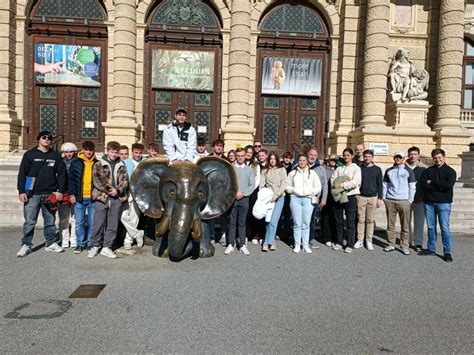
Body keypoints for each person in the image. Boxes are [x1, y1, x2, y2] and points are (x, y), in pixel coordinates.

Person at [16, 130, 66, 257]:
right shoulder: (29, 154)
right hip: (32, 194)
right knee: (30, 221)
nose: (47, 139)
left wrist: (60, 191)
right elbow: (22, 173)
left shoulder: (55, 155)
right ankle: (26, 245)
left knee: (50, 220)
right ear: (39, 139)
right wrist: (21, 191)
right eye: (44, 137)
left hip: (50, 193)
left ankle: (50, 243)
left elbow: (61, 174)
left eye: (49, 138)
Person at [88, 141, 129, 259]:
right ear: (107, 151)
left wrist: (117, 190)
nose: (114, 154)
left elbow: (125, 180)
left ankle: (107, 247)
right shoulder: (98, 163)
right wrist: (108, 190)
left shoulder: (121, 164)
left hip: (116, 197)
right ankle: (95, 245)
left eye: (116, 152)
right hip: (102, 197)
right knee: (98, 223)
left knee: (113, 223)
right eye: (112, 152)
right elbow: (96, 180)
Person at [419, 149, 456, 262]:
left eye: (439, 157)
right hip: (429, 202)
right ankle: (431, 248)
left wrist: (433, 182)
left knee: (444, 228)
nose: (437, 160)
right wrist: (439, 187)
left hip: (444, 203)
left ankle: (447, 252)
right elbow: (423, 185)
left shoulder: (450, 171)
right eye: (435, 158)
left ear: (444, 157)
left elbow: (448, 185)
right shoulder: (428, 171)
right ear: (433, 158)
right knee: (431, 227)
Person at [285, 154, 322, 254]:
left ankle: (305, 244)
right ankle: (297, 244)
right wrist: (292, 190)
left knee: (306, 223)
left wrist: (310, 192)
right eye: (300, 160)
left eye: (304, 161)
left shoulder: (312, 173)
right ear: (298, 161)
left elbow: (318, 186)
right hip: (295, 199)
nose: (302, 162)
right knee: (297, 223)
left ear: (307, 162)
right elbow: (287, 185)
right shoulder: (292, 173)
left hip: (308, 200)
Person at [382, 151, 416, 255]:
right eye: (396, 157)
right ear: (394, 158)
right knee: (390, 225)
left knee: (404, 225)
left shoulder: (408, 171)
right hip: (390, 200)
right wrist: (384, 198)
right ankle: (391, 244)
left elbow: (412, 186)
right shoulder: (389, 170)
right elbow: (385, 185)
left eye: (399, 157)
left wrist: (410, 200)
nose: (397, 159)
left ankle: (404, 245)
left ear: (403, 159)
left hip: (404, 201)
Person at [330, 148, 361, 253]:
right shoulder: (339, 168)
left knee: (350, 222)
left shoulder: (356, 168)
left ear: (352, 156)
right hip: (339, 196)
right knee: (338, 221)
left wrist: (342, 185)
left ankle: (349, 244)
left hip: (350, 196)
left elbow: (354, 182)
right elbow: (333, 180)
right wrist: (337, 186)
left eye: (348, 155)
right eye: (344, 155)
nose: (346, 157)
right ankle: (339, 242)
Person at [68, 141, 97, 253]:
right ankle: (80, 244)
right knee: (79, 222)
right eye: (86, 149)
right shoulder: (76, 163)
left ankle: (90, 243)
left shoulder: (97, 163)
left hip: (92, 198)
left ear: (93, 151)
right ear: (83, 150)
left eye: (90, 150)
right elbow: (71, 180)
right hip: (79, 197)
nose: (88, 152)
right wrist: (71, 194)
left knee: (92, 222)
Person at [225, 148, 255, 256]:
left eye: (242, 155)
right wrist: (235, 193)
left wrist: (243, 193)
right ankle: (230, 244)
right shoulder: (231, 168)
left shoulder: (249, 169)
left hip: (244, 199)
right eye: (238, 155)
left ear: (245, 156)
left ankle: (242, 244)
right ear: (236, 156)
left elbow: (252, 185)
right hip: (233, 199)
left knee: (242, 223)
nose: (240, 157)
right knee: (232, 222)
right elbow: (228, 183)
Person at [355, 149, 383, 251]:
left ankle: (369, 240)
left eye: (369, 156)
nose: (367, 158)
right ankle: (360, 240)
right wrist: (357, 194)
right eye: (365, 156)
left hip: (373, 197)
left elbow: (380, 184)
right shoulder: (359, 168)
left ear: (372, 157)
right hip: (361, 196)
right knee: (360, 220)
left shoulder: (377, 169)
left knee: (370, 220)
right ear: (363, 157)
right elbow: (357, 182)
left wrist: (380, 198)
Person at [259, 152, 287, 251]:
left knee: (274, 221)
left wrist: (277, 194)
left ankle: (266, 242)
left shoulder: (282, 169)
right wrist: (266, 193)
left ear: (277, 160)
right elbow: (261, 184)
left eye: (274, 159)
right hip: (268, 197)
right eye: (270, 159)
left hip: (279, 197)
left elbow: (284, 183)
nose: (272, 160)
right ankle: (272, 241)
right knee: (268, 220)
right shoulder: (265, 170)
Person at [121, 143, 146, 249]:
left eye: (140, 153)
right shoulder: (126, 162)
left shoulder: (145, 162)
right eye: (136, 152)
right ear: (132, 152)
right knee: (122, 215)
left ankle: (128, 240)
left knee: (135, 216)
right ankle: (137, 234)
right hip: (127, 192)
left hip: (139, 193)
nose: (138, 154)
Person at [405, 146, 427, 252]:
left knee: (419, 223)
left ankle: (418, 243)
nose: (412, 156)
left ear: (418, 155)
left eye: (415, 154)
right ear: (408, 155)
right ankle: (407, 241)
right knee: (406, 222)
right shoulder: (403, 167)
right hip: (405, 200)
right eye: (411, 154)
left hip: (420, 199)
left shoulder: (424, 168)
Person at [307, 147, 327, 249]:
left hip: (315, 199)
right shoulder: (301, 165)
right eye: (311, 155)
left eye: (314, 155)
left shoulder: (321, 168)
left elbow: (325, 185)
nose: (312, 157)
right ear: (307, 155)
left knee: (311, 220)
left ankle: (310, 239)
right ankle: (298, 239)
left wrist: (324, 198)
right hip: (301, 198)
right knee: (300, 221)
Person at [58, 142, 78, 248]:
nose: (69, 154)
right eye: (66, 152)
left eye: (71, 152)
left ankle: (73, 238)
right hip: (64, 192)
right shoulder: (60, 162)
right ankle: (64, 238)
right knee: (63, 217)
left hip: (75, 193)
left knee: (75, 218)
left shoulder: (79, 162)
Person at [320, 154, 338, 247]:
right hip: (326, 196)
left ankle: (335, 237)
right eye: (331, 159)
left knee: (335, 217)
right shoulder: (324, 169)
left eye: (335, 160)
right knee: (326, 217)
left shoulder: (339, 169)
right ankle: (326, 237)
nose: (333, 161)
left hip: (336, 196)